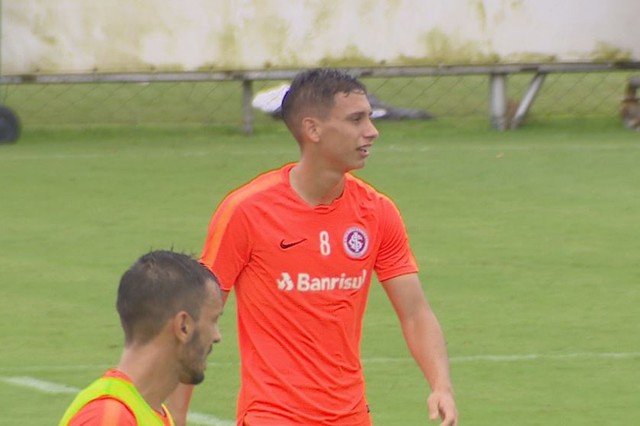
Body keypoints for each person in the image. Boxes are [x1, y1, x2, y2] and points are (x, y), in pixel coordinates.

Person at [172, 68, 458, 425]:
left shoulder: (377, 212)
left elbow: (415, 313)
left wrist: (441, 386)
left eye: (369, 117)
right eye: (356, 119)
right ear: (313, 130)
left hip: (352, 415)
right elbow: (196, 318)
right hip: (271, 415)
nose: (372, 131)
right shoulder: (247, 211)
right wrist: (175, 416)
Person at [59, 250, 224, 425]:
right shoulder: (109, 418)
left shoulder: (152, 413)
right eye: (213, 320)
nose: (217, 336)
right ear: (183, 326)